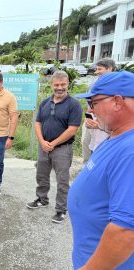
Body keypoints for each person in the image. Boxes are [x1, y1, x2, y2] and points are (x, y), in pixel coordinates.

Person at [69, 70, 134, 269]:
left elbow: (125, 232)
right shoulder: (117, 135)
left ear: (117, 101)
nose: (91, 110)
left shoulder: (131, 151)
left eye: (93, 103)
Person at [26, 70, 82, 223]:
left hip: (62, 148)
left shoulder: (74, 104)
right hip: (44, 146)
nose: (59, 88)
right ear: (52, 85)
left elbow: (72, 129)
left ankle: (61, 210)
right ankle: (42, 199)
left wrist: (53, 143)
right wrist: (42, 142)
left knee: (62, 180)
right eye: (56, 84)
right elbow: (37, 123)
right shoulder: (45, 102)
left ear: (67, 84)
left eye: (63, 84)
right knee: (41, 175)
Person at [82, 58, 116, 162]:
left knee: (102, 150)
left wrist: (100, 125)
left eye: (99, 69)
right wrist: (88, 117)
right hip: (92, 121)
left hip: (106, 127)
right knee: (86, 143)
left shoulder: (117, 87)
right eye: (96, 69)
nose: (96, 72)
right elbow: (89, 106)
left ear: (110, 69)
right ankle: (87, 167)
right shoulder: (93, 85)